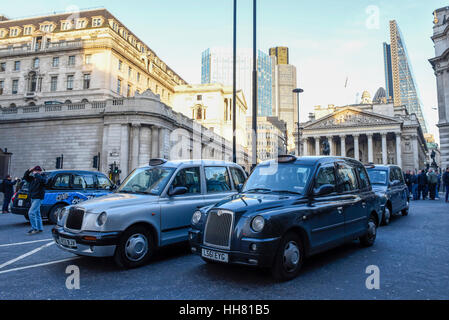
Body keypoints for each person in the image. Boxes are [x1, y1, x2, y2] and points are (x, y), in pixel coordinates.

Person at [23, 166, 46, 235]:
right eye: (34, 171)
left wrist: (37, 174)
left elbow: (43, 181)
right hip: (32, 197)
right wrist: (28, 170)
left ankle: (34, 228)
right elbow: (25, 177)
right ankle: (40, 228)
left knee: (31, 213)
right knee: (37, 213)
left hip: (38, 197)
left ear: (40, 171)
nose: (34, 172)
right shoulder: (32, 178)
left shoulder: (43, 177)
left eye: (36, 171)